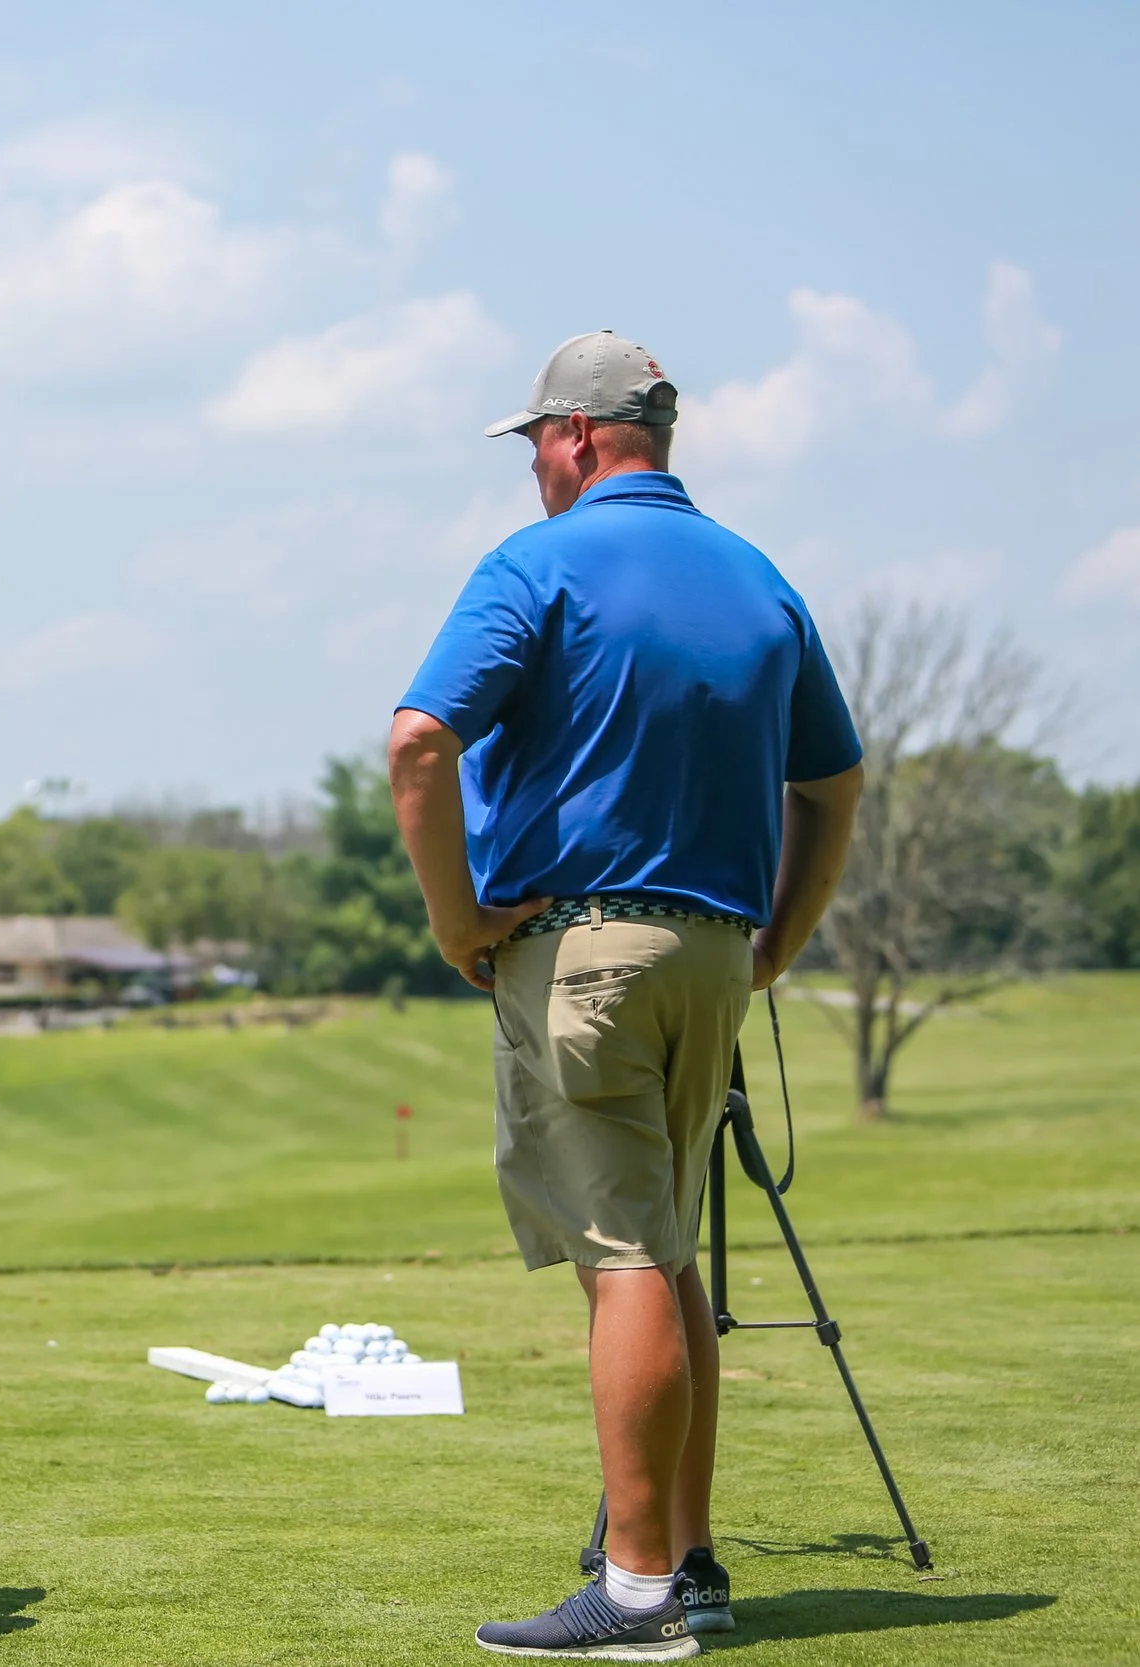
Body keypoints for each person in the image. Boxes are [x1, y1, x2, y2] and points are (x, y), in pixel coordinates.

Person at [390, 334, 865, 1659]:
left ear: (582, 436)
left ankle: (640, 1587)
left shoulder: (537, 566)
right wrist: (776, 939)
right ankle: (689, 1557)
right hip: (718, 948)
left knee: (625, 1259)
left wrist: (456, 919)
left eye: (536, 441)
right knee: (671, 1247)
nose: (533, 466)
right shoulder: (761, 577)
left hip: (584, 947)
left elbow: (421, 737)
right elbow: (834, 782)